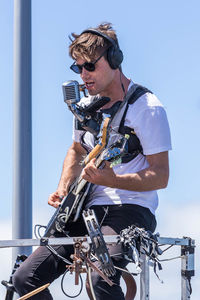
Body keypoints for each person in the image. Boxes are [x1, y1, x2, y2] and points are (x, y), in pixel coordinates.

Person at [13, 22, 172, 300]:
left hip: (131, 209)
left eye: (89, 66)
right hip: (86, 210)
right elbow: (76, 150)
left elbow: (161, 175)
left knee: (102, 276)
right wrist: (63, 187)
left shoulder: (148, 107)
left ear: (114, 60)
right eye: (77, 68)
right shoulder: (87, 105)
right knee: (25, 279)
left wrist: (114, 180)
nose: (83, 74)